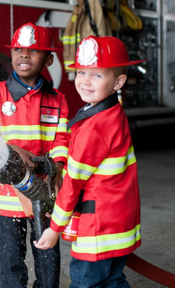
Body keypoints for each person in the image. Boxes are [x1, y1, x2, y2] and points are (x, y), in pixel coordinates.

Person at [35, 35, 144, 288]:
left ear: (118, 81)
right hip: (120, 221)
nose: (85, 80)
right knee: (113, 280)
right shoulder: (113, 112)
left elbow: (73, 183)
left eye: (97, 75)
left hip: (98, 228)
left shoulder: (94, 128)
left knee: (87, 283)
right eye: (82, 71)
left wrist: (54, 228)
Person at [0, 22, 69, 288]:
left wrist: (59, 168)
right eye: (18, 49)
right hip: (7, 198)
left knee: (47, 255)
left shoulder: (57, 99)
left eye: (33, 50)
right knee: (10, 261)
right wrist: (12, 150)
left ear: (49, 58)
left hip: (44, 192)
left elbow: (62, 139)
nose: (24, 55)